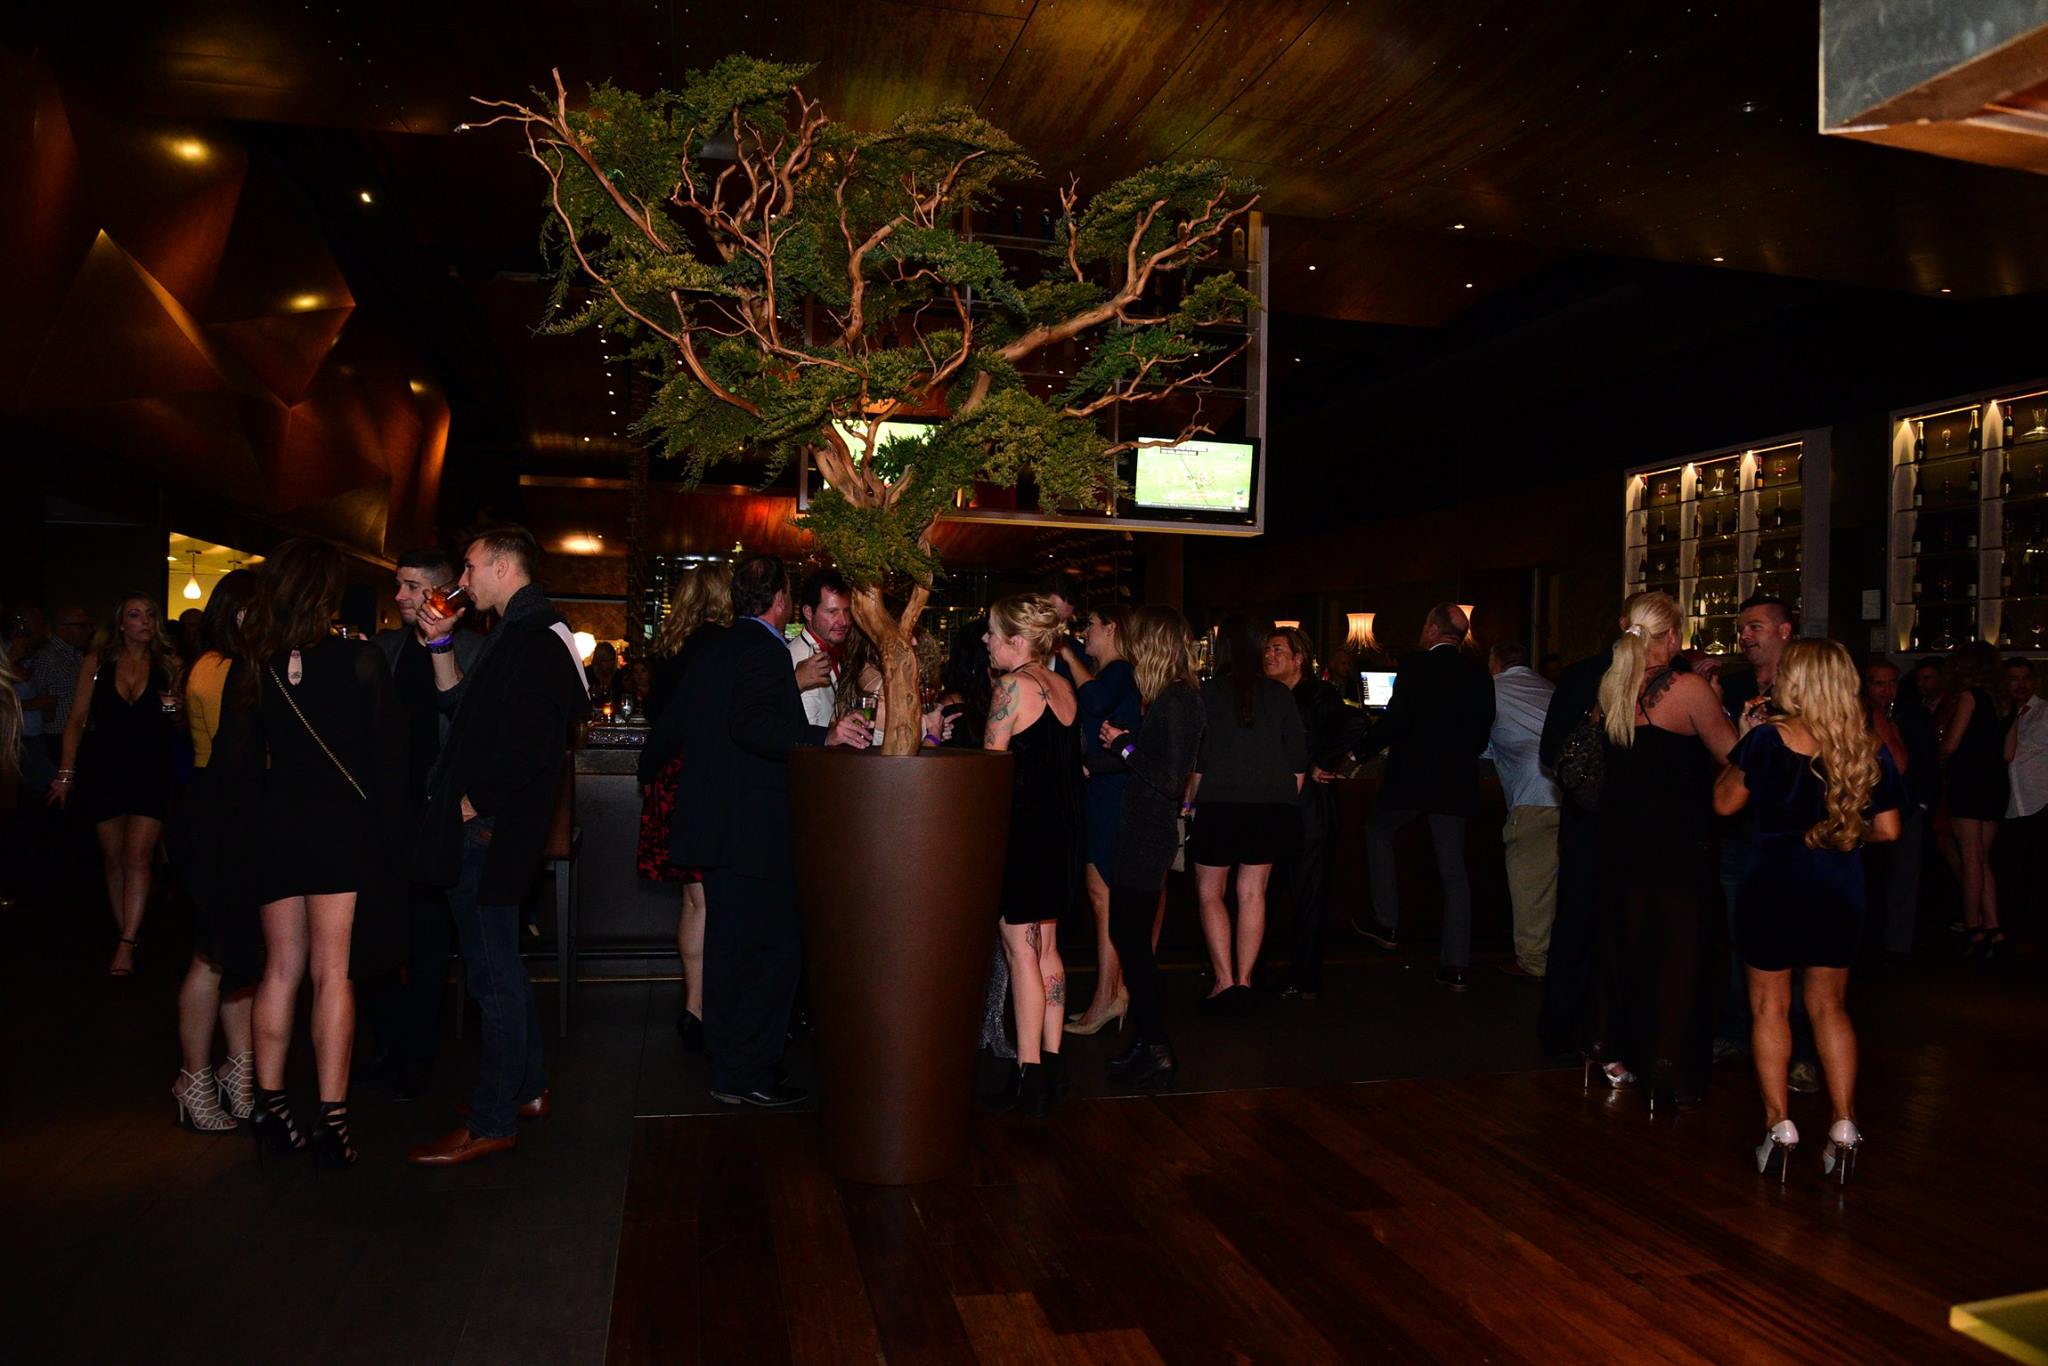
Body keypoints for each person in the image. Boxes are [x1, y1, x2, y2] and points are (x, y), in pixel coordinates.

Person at [408, 527, 592, 1165]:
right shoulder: (517, 632)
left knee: (493, 979)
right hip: (494, 829)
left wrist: (476, 800)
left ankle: (493, 1120)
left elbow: (536, 747)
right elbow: (464, 708)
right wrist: (439, 645)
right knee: (499, 968)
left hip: (491, 832)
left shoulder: (534, 637)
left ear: (503, 568)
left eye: (469, 566)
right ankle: (528, 1088)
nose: (461, 579)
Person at [669, 556, 869, 1108]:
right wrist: (822, 738)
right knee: (772, 952)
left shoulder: (716, 646)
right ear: (782, 600)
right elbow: (752, 725)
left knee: (731, 951)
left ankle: (729, 1067)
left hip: (717, 826)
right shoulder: (765, 649)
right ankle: (751, 1072)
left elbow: (683, 724)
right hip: (753, 832)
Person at [243, 541, 408, 1168]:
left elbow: (235, 763)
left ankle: (270, 1108)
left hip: (274, 826)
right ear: (327, 593)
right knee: (332, 973)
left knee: (278, 971)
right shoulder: (361, 659)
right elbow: (390, 760)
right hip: (339, 827)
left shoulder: (254, 666)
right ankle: (332, 1123)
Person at [1715, 639, 1900, 1183]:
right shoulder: (1864, 744)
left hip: (1773, 884)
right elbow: (1890, 830)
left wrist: (1743, 739)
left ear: (1793, 681)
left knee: (1769, 1006)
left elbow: (1724, 803)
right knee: (1830, 1007)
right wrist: (1841, 832)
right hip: (1838, 886)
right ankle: (1844, 1124)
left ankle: (1779, 1125)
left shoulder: (1768, 740)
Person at [1592, 590, 1736, 1111]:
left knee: (1629, 948)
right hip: (1676, 844)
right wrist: (1723, 702)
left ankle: (1618, 1052)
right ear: (1673, 636)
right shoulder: (1688, 689)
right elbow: (1733, 755)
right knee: (1680, 955)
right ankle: (1669, 1069)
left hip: (1620, 840)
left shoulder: (1612, 687)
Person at [361, 548, 484, 1102]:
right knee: (380, 931)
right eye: (398, 584)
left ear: (442, 590)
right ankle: (388, 1044)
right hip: (385, 813)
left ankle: (418, 1056)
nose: (400, 596)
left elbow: (477, 731)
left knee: (431, 939)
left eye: (412, 586)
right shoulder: (383, 650)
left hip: (439, 815)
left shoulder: (474, 650)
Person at [162, 568, 262, 1134]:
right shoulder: (225, 669)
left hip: (223, 816)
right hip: (218, 820)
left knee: (237, 954)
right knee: (211, 955)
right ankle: (194, 1078)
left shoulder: (221, 663)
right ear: (244, 613)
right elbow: (237, 762)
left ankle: (238, 1074)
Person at [1090, 606, 1205, 1089]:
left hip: (1149, 833)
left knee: (1132, 939)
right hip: (1141, 829)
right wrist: (1104, 757)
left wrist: (1124, 746)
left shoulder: (1178, 700)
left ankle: (1157, 1046)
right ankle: (1146, 1039)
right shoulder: (1169, 698)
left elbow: (1169, 777)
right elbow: (1153, 760)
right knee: (1130, 936)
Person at [1352, 603, 1494, 991]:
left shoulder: (1416, 667)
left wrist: (1357, 753)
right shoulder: (1479, 673)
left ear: (1432, 629)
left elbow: (1395, 721)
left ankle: (1387, 921)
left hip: (1413, 778)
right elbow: (1482, 730)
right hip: (1455, 780)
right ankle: (1455, 963)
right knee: (1453, 870)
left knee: (1378, 830)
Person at [982, 594, 1085, 1111]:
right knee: (1047, 948)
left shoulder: (1012, 687)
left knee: (1020, 950)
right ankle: (1052, 1060)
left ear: (1017, 640)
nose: (986, 641)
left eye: (992, 633)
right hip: (1062, 834)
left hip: (1023, 836)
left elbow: (990, 770)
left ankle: (1028, 1074)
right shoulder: (1063, 686)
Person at [1713, 595, 1818, 1094]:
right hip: (1741, 835)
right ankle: (1736, 1032)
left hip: (1796, 840)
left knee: (1799, 951)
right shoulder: (1733, 687)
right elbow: (1723, 770)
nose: (1745, 636)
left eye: (1755, 626)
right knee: (1740, 941)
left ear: (1784, 630)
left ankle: (1801, 1053)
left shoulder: (1810, 689)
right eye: (1742, 628)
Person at [49, 594, 179, 975]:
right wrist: (66, 773)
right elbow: (76, 720)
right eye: (135, 615)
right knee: (114, 856)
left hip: (150, 768)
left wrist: (174, 707)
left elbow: (178, 723)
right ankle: (128, 930)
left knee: (138, 855)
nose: (145, 621)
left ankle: (126, 942)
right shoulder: (97, 663)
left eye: (150, 615)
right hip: (104, 768)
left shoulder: (167, 665)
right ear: (121, 624)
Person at [1189, 615, 1305, 1011]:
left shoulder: (1208, 693)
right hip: (1270, 805)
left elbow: (1199, 759)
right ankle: (1245, 979)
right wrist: (1281, 797)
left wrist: (1189, 804)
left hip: (1219, 801)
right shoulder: (1279, 694)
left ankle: (1223, 980)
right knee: (1253, 893)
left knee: (1210, 892)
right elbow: (1298, 759)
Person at [638, 564, 734, 1048]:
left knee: (694, 900)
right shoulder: (727, 646)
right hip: (709, 781)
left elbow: (656, 715)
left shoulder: (668, 650)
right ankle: (714, 1008)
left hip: (669, 779)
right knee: (719, 899)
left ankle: (694, 1007)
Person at [1264, 626, 1357, 1000]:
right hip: (1274, 809)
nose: (1269, 655)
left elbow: (1355, 725)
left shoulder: (1319, 694)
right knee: (1265, 892)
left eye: (1277, 649)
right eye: (1267, 649)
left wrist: (1322, 761)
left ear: (1298, 658)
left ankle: (1305, 977)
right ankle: (1255, 969)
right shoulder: (1267, 694)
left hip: (1309, 811)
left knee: (1308, 896)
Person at [1538, 634, 1615, 1058]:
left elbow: (1550, 751)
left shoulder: (1671, 682)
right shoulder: (1586, 679)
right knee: (1581, 925)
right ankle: (1573, 1029)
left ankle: (1573, 1029)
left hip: (1593, 823)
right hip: (1594, 823)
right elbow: (1553, 751)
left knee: (1582, 925)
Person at [1070, 604, 1141, 1033]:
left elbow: (1097, 702)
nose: (1085, 632)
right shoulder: (1115, 673)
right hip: (1105, 790)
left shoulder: (1118, 672)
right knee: (1102, 896)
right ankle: (1113, 993)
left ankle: (1107, 998)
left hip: (1112, 792)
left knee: (1105, 898)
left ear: (1111, 627)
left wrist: (1068, 654)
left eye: (1091, 625)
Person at [1487, 642, 1562, 980]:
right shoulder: (1548, 688)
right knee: (1556, 884)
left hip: (1531, 796)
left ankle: (1532, 961)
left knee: (1530, 883)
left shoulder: (1492, 691)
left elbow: (1479, 744)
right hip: (1567, 793)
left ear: (1494, 663)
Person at [1863, 658, 1938, 959]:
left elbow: (1926, 760)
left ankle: (1896, 947)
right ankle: (1869, 943)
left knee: (1904, 878)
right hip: (1868, 808)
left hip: (1907, 806)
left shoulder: (1913, 714)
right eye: (1878, 683)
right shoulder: (1859, 714)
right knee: (1871, 876)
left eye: (1892, 682)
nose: (1886, 690)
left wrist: (1922, 802)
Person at [1941, 640, 2008, 957]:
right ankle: (1993, 926)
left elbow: (1951, 744)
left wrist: (1937, 752)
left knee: (1969, 857)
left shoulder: (1970, 697)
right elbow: (2008, 753)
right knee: (1982, 857)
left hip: (1969, 780)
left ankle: (1973, 926)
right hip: (1995, 782)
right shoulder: (2005, 703)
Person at [2004, 657, 2048, 943]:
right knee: (2016, 872)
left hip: (2040, 801)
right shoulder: (2005, 714)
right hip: (2010, 805)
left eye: (2025, 678)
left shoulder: (2044, 711)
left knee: (2039, 872)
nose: (2020, 685)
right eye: (2013, 679)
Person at [788, 568, 853, 728]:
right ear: (808, 613)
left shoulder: (834, 651)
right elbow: (804, 733)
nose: (843, 621)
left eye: (846, 611)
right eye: (832, 612)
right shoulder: (801, 659)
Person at [29, 605, 93, 761]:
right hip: (58, 735)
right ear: (63, 628)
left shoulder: (78, 654)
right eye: (82, 626)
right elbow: (38, 696)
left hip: (83, 732)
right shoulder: (46, 657)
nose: (89, 630)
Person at [1038, 576, 1092, 684]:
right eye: (1052, 617)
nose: (1057, 627)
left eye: (1063, 620)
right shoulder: (1012, 644)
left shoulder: (1080, 656)